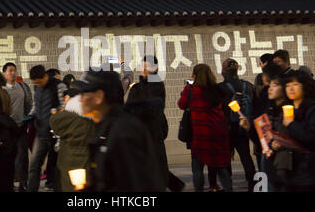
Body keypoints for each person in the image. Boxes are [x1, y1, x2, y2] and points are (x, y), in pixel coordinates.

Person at [75, 70, 165, 191]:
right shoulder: (104, 127)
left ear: (99, 97)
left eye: (84, 93)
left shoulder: (124, 130)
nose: (80, 99)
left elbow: (135, 184)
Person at [178, 64, 232, 192]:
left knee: (197, 168)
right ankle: (228, 189)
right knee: (220, 165)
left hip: (200, 133)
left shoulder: (191, 89)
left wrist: (184, 90)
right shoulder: (217, 89)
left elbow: (181, 104)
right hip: (218, 132)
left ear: (194, 75)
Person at [271, 71, 315, 192]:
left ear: (304, 86)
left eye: (295, 84)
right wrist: (275, 145)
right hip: (288, 173)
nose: (290, 88)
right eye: (287, 85)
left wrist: (291, 124)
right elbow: (280, 135)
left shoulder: (314, 109)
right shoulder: (286, 109)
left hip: (309, 173)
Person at [126, 55, 170, 190]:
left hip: (152, 134)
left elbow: (152, 107)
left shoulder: (156, 84)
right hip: (139, 136)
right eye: (142, 66)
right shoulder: (138, 87)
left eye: (147, 67)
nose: (143, 70)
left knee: (156, 173)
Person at [218, 58, 257, 191]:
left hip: (227, 128)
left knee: (226, 158)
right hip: (243, 127)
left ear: (224, 71)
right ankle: (252, 184)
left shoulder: (220, 88)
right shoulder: (248, 86)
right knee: (246, 156)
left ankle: (228, 186)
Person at [27, 65, 67, 192]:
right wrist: (30, 116)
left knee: (56, 166)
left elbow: (65, 106)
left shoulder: (58, 86)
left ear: (45, 76)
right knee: (34, 164)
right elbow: (36, 105)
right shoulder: (36, 87)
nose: (38, 85)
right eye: (35, 83)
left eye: (39, 82)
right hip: (41, 132)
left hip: (57, 134)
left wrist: (54, 111)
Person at [49, 88, 96, 191]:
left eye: (66, 97)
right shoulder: (91, 115)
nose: (64, 100)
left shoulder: (67, 116)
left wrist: (63, 110)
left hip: (69, 159)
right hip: (86, 157)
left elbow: (53, 122)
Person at [2, 62, 32, 192]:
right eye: (10, 71)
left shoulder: (22, 86)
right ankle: (8, 184)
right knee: (7, 157)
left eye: (14, 70)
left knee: (22, 156)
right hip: (6, 129)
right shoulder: (1, 89)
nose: (13, 73)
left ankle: (23, 183)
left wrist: (27, 120)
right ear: (4, 74)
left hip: (21, 127)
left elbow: (28, 105)